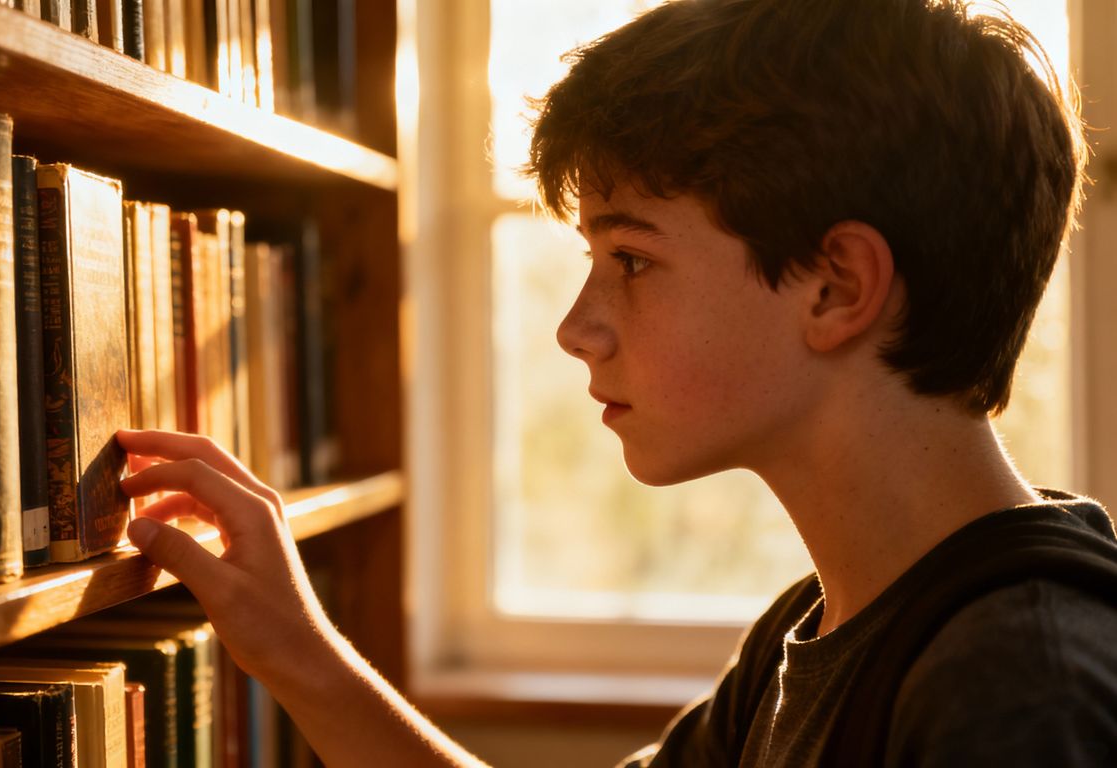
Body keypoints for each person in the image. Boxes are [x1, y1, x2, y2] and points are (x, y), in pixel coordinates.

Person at [115, 0, 1117, 764]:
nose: (574, 329)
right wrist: (293, 646)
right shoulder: (813, 631)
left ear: (836, 287)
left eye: (630, 261)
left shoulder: (1016, 689)